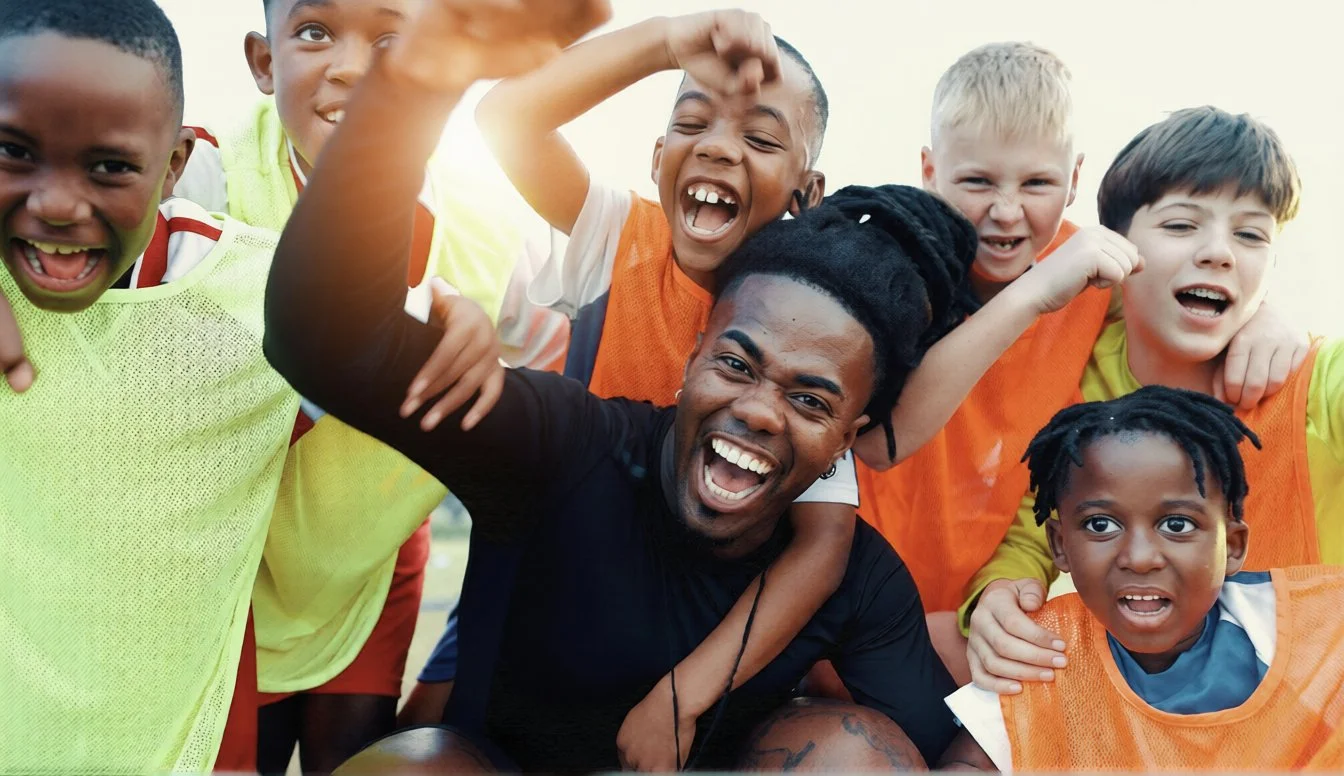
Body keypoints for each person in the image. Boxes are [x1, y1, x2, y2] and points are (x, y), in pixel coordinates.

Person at [261, 4, 982, 767]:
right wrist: (416, 84)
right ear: (696, 354)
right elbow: (330, 337)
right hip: (529, 597)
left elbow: (942, 730)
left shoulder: (839, 556)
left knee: (845, 753)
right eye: (737, 363)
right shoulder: (577, 414)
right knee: (419, 754)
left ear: (851, 429)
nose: (760, 411)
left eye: (810, 398)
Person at [409, 13, 866, 763]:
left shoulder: (811, 322)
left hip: (696, 627)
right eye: (694, 123)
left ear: (804, 192)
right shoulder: (622, 239)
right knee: (424, 736)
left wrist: (683, 697)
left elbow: (822, 547)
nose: (718, 145)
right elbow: (505, 116)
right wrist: (664, 46)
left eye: (758, 138)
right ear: (659, 155)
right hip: (554, 588)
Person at [170, 0, 563, 770]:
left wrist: (497, 362)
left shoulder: (483, 227)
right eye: (316, 33)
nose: (352, 66)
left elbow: (567, 367)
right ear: (263, 61)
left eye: (392, 39)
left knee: (350, 763)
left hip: (367, 568)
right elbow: (73, 220)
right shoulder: (205, 178)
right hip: (223, 572)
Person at [851, 43, 1306, 684]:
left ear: (1073, 179)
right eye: (977, 181)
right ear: (929, 170)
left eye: (1036, 183)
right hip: (866, 589)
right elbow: (880, 439)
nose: (1006, 211)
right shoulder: (892, 267)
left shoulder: (1095, 272)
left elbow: (1187, 296)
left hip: (984, 590)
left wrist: (1267, 315)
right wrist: (1033, 293)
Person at [0, 0, 301, 770]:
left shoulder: (249, 293)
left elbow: (405, 336)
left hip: (177, 742)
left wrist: (447, 325)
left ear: (174, 164)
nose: (59, 204)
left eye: (109, 166)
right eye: (12, 152)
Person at [962, 106, 1344, 693]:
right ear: (1116, 248)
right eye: (1181, 226)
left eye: (1250, 234)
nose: (1219, 253)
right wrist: (997, 596)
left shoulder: (1314, 377)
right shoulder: (1073, 385)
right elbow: (1033, 526)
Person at [940, 386, 1344, 771]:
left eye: (1177, 524)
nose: (1139, 558)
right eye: (1100, 524)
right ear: (1059, 545)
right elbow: (968, 762)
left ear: (1233, 545)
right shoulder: (1037, 651)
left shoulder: (1308, 630)